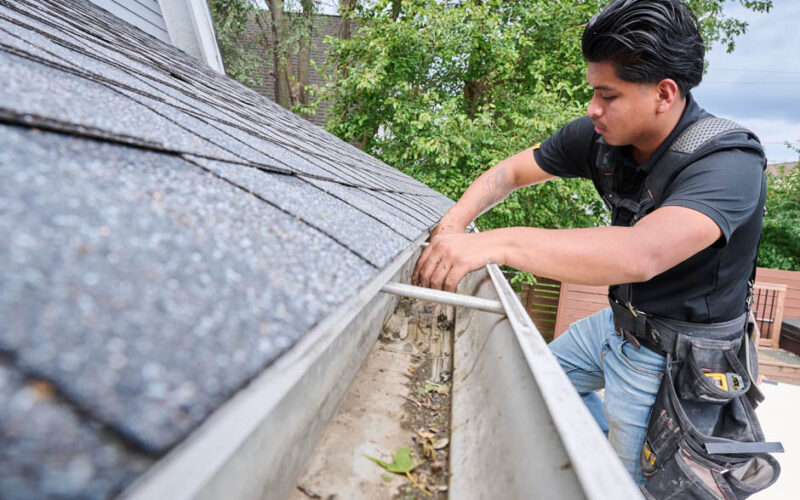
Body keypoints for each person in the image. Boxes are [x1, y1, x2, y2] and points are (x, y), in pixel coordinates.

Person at [412, 0, 769, 488]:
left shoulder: (728, 163)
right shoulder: (604, 137)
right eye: (592, 92)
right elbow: (512, 172)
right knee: (541, 381)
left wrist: (498, 244)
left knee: (618, 486)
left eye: (608, 95)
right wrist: (452, 228)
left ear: (664, 93)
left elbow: (639, 254)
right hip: (617, 324)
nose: (592, 109)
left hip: (674, 358)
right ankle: (597, 446)